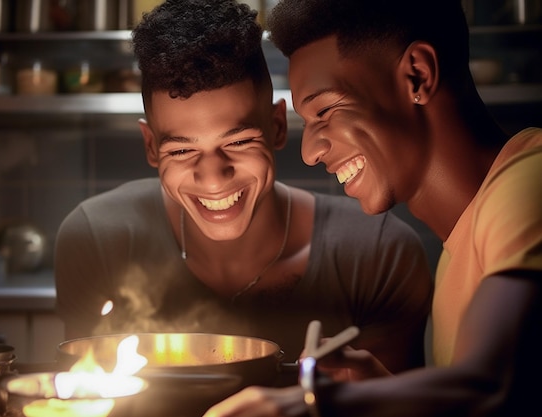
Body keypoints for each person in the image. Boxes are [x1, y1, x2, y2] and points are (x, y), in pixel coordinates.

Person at [54, 0, 433, 382]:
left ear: (277, 127)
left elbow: (393, 404)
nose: (214, 178)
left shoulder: (378, 254)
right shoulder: (96, 238)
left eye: (238, 143)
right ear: (151, 146)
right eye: (183, 150)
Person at [203, 0, 542, 416]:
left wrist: (312, 403)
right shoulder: (467, 235)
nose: (309, 151)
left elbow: (491, 385)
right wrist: (384, 391)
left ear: (417, 75)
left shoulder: (529, 185)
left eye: (325, 110)